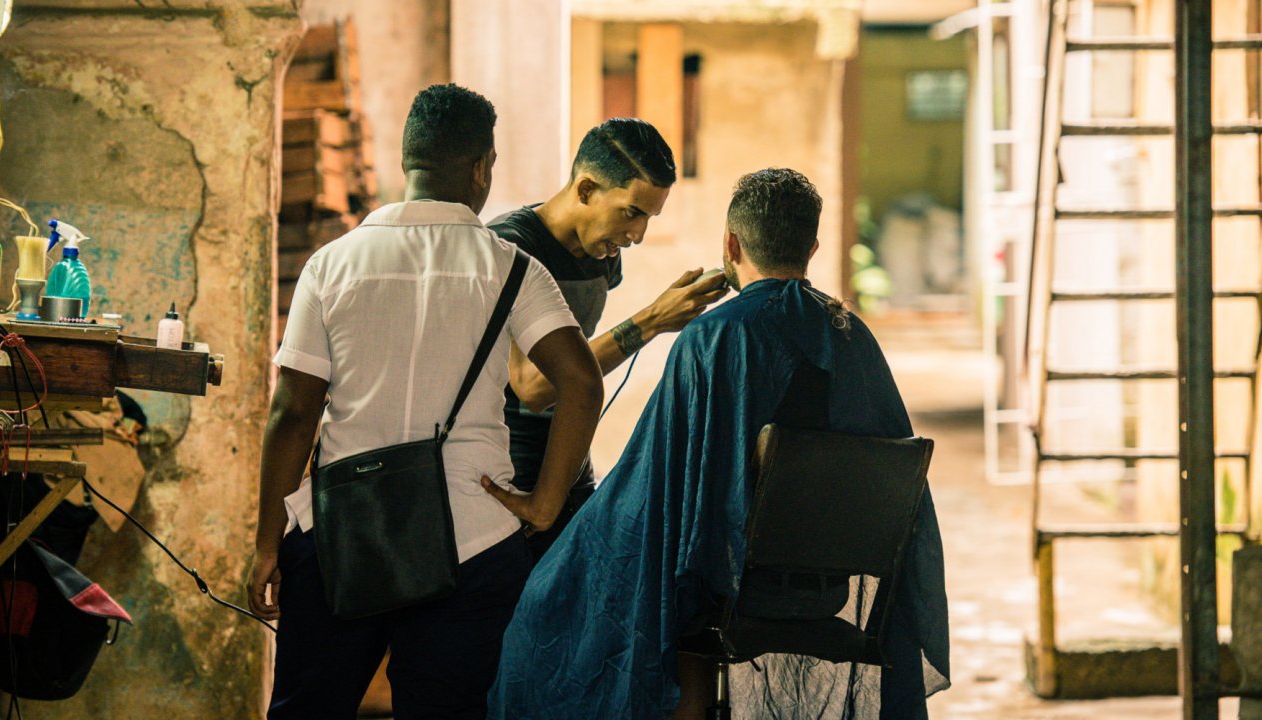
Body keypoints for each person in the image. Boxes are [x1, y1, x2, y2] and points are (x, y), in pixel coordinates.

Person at [485, 168, 949, 719]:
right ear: (814, 247)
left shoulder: (713, 337)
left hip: (731, 589)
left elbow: (649, 491)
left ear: (730, 245)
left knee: (554, 599)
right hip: (826, 586)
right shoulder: (853, 337)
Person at [246, 84, 604, 719]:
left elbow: (293, 412)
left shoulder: (330, 266)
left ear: (408, 160)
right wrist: (544, 506)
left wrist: (268, 544)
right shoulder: (513, 269)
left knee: (307, 710)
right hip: (474, 537)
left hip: (341, 538)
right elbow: (579, 382)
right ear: (481, 167)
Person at [489, 118, 728, 559]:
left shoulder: (602, 255)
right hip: (510, 473)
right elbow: (535, 388)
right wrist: (651, 321)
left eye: (649, 218)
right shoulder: (510, 247)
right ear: (585, 190)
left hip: (570, 466)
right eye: (631, 213)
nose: (637, 236)